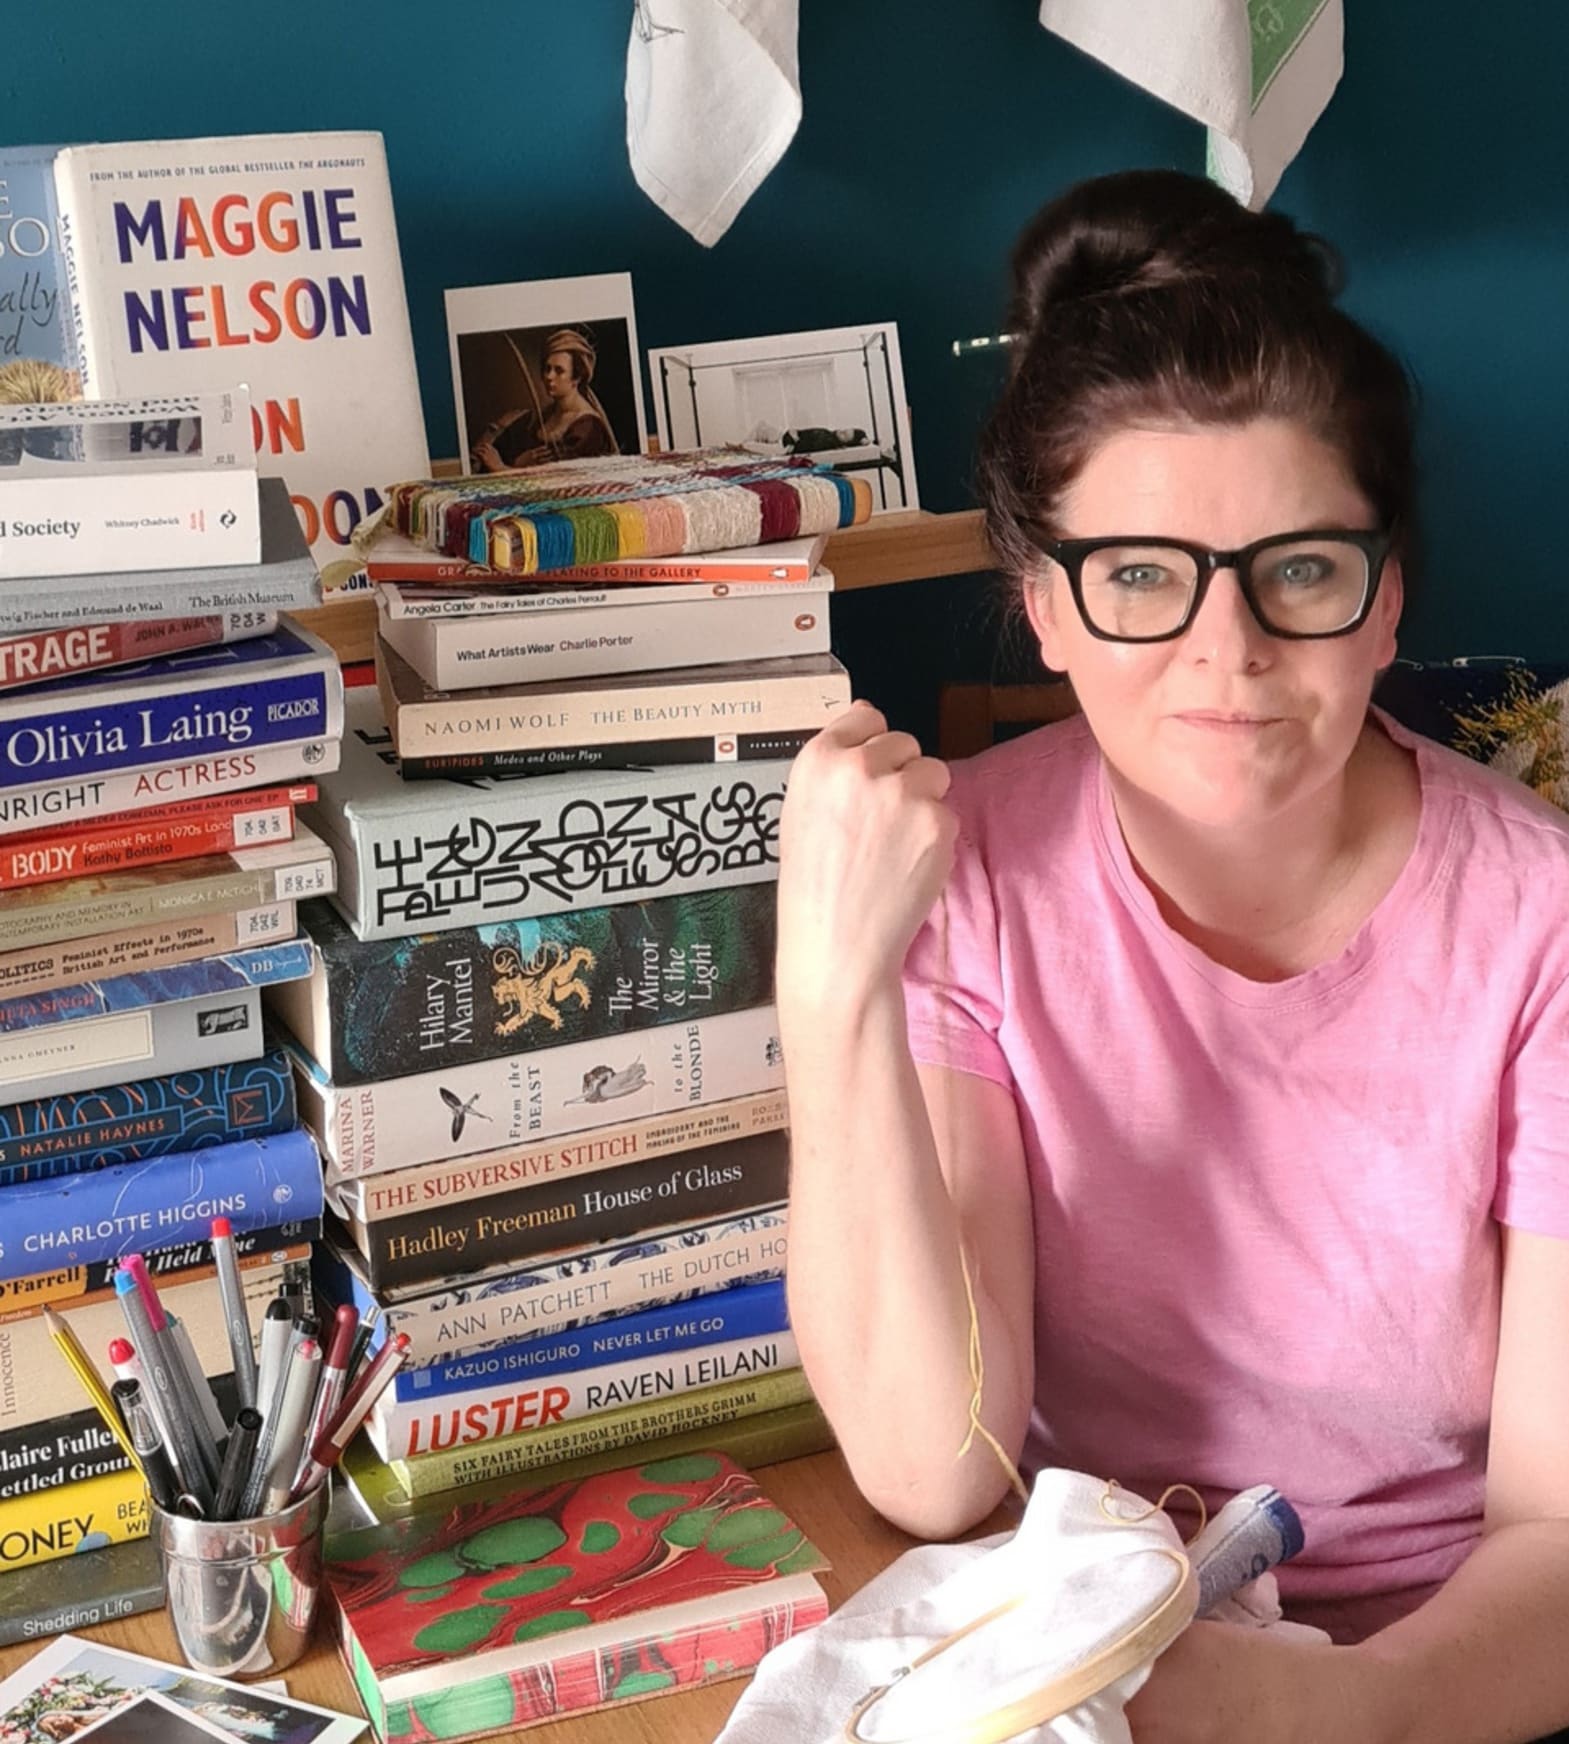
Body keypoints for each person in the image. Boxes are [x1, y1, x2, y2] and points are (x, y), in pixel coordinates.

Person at [776, 169, 1569, 1744]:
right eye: (1139, 574)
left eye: (1299, 571)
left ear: (1385, 597)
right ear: (1044, 610)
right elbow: (934, 1471)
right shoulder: (973, 878)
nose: (1227, 651)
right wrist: (830, 992)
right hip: (1071, 1642)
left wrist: (1316, 1713)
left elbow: (1560, 1540)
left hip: (1436, 1670)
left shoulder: (1540, 926)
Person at [469, 326, 619, 472]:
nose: (549, 376)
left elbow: (559, 482)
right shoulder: (544, 415)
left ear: (577, 377)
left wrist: (502, 468)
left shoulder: (587, 429)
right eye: (547, 368)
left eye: (558, 371)